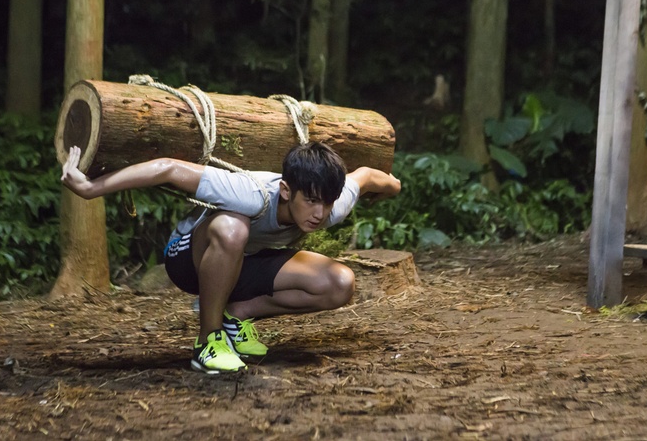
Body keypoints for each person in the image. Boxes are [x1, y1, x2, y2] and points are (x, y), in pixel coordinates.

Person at [61, 142, 401, 374]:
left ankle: (236, 315)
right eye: (310, 201)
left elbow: (366, 176)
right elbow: (168, 168)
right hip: (189, 259)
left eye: (326, 203)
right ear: (286, 191)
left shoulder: (330, 204)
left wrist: (394, 187)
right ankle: (208, 341)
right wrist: (91, 189)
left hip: (245, 266)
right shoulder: (252, 192)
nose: (319, 213)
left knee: (340, 282)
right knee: (233, 226)